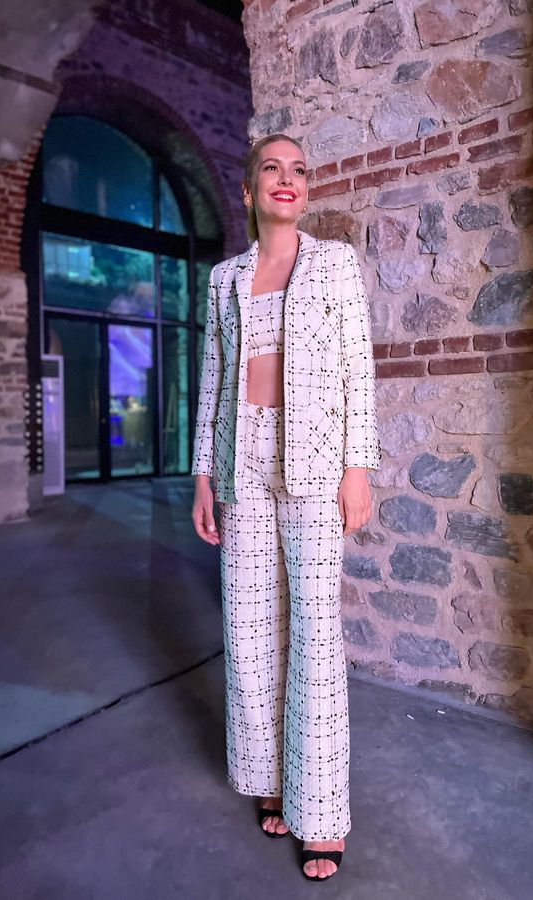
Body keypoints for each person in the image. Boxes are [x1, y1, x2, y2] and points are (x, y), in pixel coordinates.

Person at [190, 132, 380, 882]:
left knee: (314, 635)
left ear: (306, 190)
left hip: (316, 465)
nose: (287, 178)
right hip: (241, 462)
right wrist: (202, 477)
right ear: (248, 190)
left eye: (299, 170)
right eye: (271, 167)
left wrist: (357, 469)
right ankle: (271, 777)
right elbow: (213, 379)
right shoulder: (224, 278)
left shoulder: (335, 263)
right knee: (248, 630)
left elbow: (358, 370)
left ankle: (321, 812)